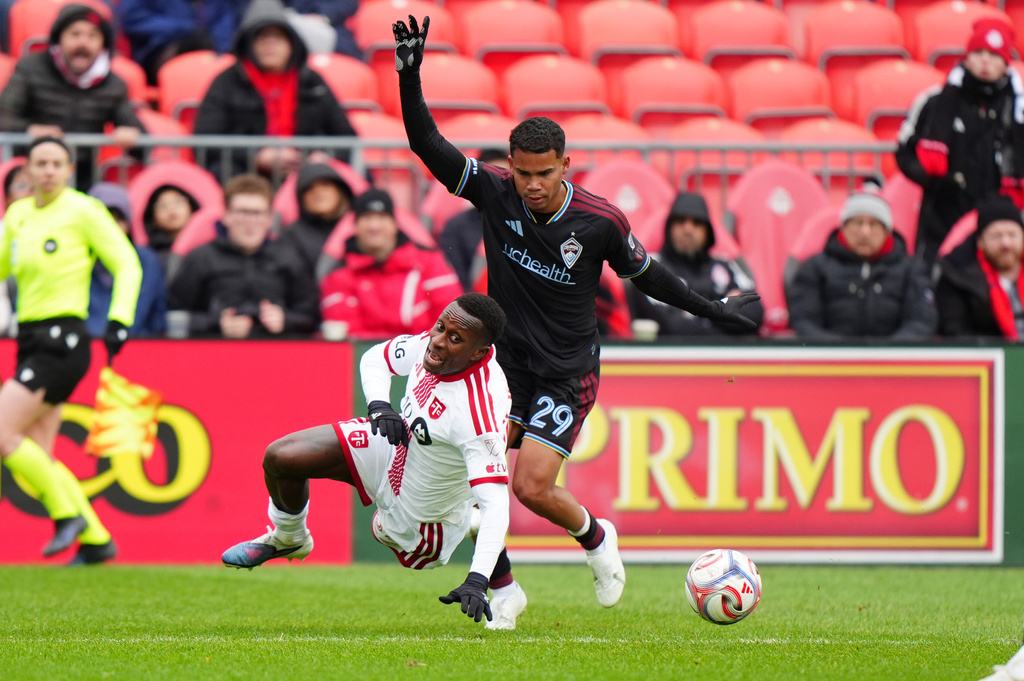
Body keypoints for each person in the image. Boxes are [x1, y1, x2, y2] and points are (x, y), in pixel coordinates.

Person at [393, 16, 759, 608]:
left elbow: (651, 276)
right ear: (509, 165)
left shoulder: (600, 221)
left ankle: (596, 536)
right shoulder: (493, 190)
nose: (531, 185)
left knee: (531, 486)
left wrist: (713, 307)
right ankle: (504, 590)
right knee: (463, 478)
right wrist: (410, 79)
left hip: (567, 367)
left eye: (543, 174)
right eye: (521, 173)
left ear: (565, 165)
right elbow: (426, 146)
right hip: (503, 362)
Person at [222, 292, 529, 630]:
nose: (438, 341)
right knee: (282, 456)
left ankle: (474, 537)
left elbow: (497, 504)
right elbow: (375, 358)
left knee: (385, 531)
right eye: (440, 327)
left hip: (423, 518)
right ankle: (289, 536)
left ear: (479, 353)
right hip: (397, 449)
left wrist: (476, 579)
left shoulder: (478, 413)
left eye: (454, 338)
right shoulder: (434, 344)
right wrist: (380, 405)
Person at [0, 136, 142, 565]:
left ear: (68, 170)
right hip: (29, 338)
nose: (47, 171)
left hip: (64, 340)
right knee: (39, 454)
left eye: (55, 163)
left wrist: (119, 318)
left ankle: (66, 516)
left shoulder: (83, 210)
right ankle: (97, 539)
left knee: (4, 433)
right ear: (27, 172)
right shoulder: (19, 214)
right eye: (39, 163)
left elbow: (126, 263)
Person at [896, 18, 1024, 268]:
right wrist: (933, 178)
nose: (985, 61)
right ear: (966, 57)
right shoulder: (936, 101)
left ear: (1006, 63)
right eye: (978, 53)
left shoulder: (1019, 111)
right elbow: (904, 150)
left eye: (994, 55)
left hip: (1001, 220)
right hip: (943, 215)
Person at [193, 0, 358, 181]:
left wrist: (324, 157)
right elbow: (206, 139)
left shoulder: (312, 82)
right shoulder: (227, 81)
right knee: (223, 170)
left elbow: (346, 137)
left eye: (278, 37)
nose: (270, 44)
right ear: (248, 43)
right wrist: (255, 156)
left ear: (292, 44)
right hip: (246, 175)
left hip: (307, 175)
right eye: (262, 37)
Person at [0, 4, 144, 189]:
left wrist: (131, 136)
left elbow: (142, 140)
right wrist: (31, 130)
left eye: (92, 36)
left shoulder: (113, 84)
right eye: (75, 34)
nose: (83, 43)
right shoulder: (30, 69)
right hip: (31, 172)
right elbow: (4, 116)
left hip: (82, 176)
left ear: (103, 44)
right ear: (59, 38)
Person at [167, 173, 318, 338]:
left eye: (257, 213)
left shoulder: (289, 258)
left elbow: (311, 317)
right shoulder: (201, 258)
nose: (250, 221)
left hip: (275, 355)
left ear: (269, 219)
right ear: (226, 216)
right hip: (214, 354)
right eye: (242, 212)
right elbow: (174, 316)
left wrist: (285, 320)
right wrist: (217, 323)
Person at [785, 192, 937, 340]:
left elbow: (921, 321)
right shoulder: (814, 268)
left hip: (894, 362)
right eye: (858, 223)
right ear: (843, 228)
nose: (865, 232)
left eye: (874, 224)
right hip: (830, 362)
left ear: (887, 232)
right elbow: (804, 321)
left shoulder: (911, 270)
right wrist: (841, 354)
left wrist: (888, 353)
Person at [320, 188, 463, 340]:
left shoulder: (430, 263)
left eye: (381, 218)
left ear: (395, 224)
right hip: (365, 360)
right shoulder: (338, 275)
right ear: (355, 227)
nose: (374, 226)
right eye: (367, 218)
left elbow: (452, 318)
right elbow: (346, 334)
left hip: (426, 357)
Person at [627, 192, 765, 337]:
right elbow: (671, 328)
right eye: (681, 221)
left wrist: (693, 312)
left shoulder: (726, 265)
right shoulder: (650, 270)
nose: (688, 229)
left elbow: (755, 313)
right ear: (669, 227)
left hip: (728, 358)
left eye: (697, 222)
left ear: (708, 230)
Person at [935, 196, 1024, 340]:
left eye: (1012, 235)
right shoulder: (957, 276)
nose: (1006, 243)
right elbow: (955, 332)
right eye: (996, 236)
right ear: (980, 242)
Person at [86, 182, 168, 338]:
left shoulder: (147, 261)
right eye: (105, 219)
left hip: (139, 351)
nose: (113, 227)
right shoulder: (78, 260)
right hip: (87, 350)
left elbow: (158, 318)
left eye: (120, 219)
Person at [118, 0, 245, 85]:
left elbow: (224, 23)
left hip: (211, 48)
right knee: (196, 42)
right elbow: (131, 20)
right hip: (159, 49)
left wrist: (223, 52)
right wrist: (185, 28)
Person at [438, 149, 510, 290]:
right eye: (494, 179)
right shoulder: (456, 227)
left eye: (507, 179)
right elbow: (455, 280)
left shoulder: (528, 221)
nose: (502, 186)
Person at [277, 161, 353, 294]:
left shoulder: (357, 228)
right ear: (301, 198)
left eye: (325, 185)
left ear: (340, 191)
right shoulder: (292, 235)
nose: (318, 191)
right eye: (309, 188)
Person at [140, 184, 200, 276]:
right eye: (163, 206)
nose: (172, 210)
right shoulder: (149, 254)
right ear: (152, 217)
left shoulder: (205, 248)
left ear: (191, 207)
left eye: (178, 202)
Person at [0, 161, 32, 337]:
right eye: (21, 185)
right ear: (7, 196)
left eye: (32, 187)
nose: (28, 191)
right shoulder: (2, 231)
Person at [281, 1, 362, 59]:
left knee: (348, 53)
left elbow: (348, 4)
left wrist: (323, 17)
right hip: (291, 26)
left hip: (330, 25)